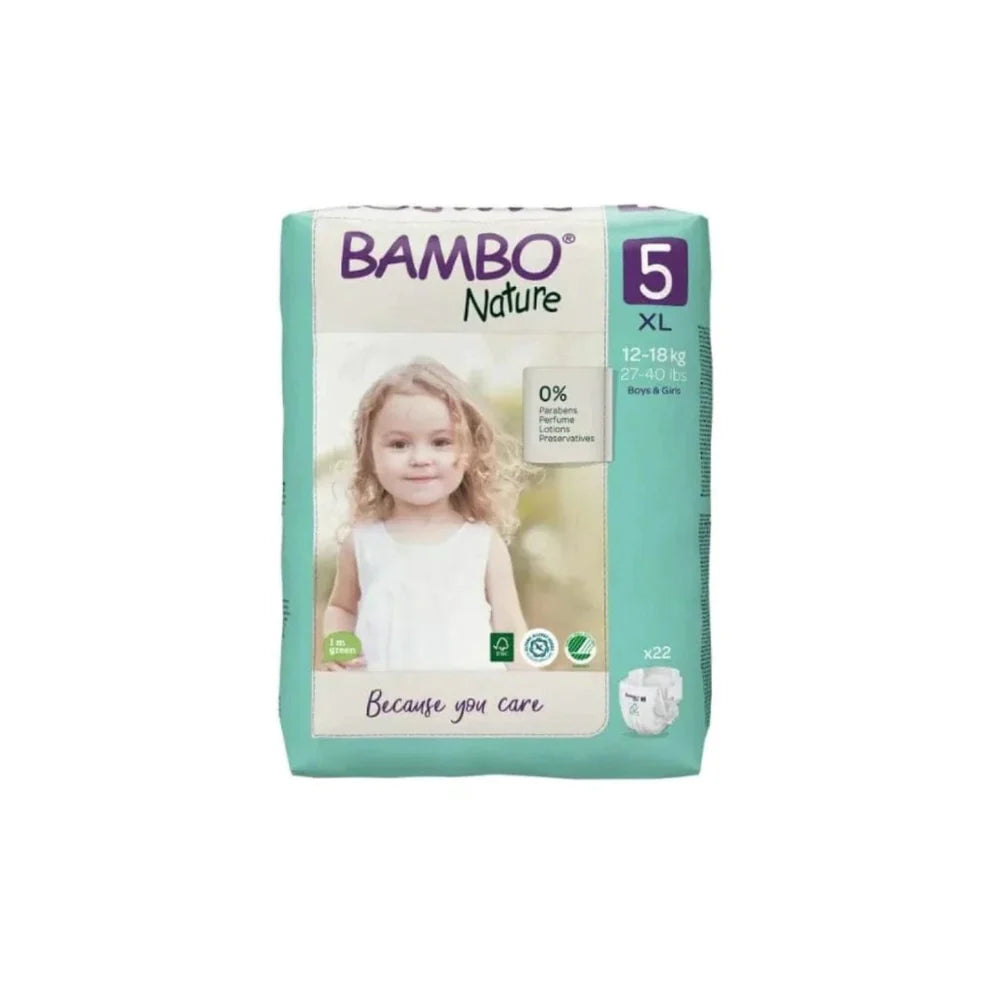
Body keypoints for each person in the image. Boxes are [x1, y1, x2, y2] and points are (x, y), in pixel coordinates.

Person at [320, 358, 530, 671]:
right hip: (382, 698)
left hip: (470, 697)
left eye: (440, 442)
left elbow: (508, 628)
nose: (420, 458)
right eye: (399, 444)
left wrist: (523, 682)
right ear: (369, 455)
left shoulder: (483, 542)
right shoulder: (362, 542)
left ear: (469, 452)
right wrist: (339, 647)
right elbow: (341, 608)